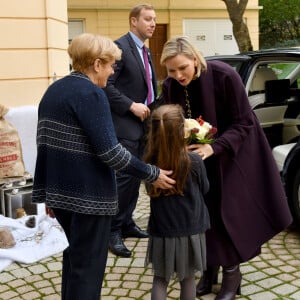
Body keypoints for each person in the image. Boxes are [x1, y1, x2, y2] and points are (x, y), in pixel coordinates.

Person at [31, 33, 175, 300]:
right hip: (88, 198)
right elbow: (112, 153)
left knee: (75, 260)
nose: (111, 72)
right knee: (88, 269)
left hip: (61, 196)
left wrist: (48, 193)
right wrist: (151, 173)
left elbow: (44, 146)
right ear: (96, 64)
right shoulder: (92, 94)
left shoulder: (54, 90)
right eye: (110, 66)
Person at [159, 36, 293, 300]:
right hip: (197, 161)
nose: (177, 75)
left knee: (225, 214)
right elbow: (173, 120)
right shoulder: (171, 85)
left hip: (234, 155)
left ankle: (232, 274)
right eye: (171, 71)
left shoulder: (224, 75)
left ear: (195, 59)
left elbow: (244, 123)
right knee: (200, 213)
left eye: (182, 68)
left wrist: (213, 147)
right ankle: (210, 271)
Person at [104, 3, 158, 258]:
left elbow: (147, 85)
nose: (153, 23)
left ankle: (126, 223)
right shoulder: (120, 48)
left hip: (143, 125)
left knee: (135, 177)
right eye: (147, 19)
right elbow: (106, 85)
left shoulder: (144, 50)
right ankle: (112, 231)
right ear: (133, 21)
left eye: (154, 19)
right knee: (124, 179)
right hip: (124, 124)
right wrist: (130, 106)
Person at [143, 104, 210, 300]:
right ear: (183, 130)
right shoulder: (194, 161)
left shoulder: (149, 163)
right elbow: (205, 188)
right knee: (188, 279)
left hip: (162, 229)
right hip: (190, 229)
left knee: (160, 279)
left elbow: (149, 190)